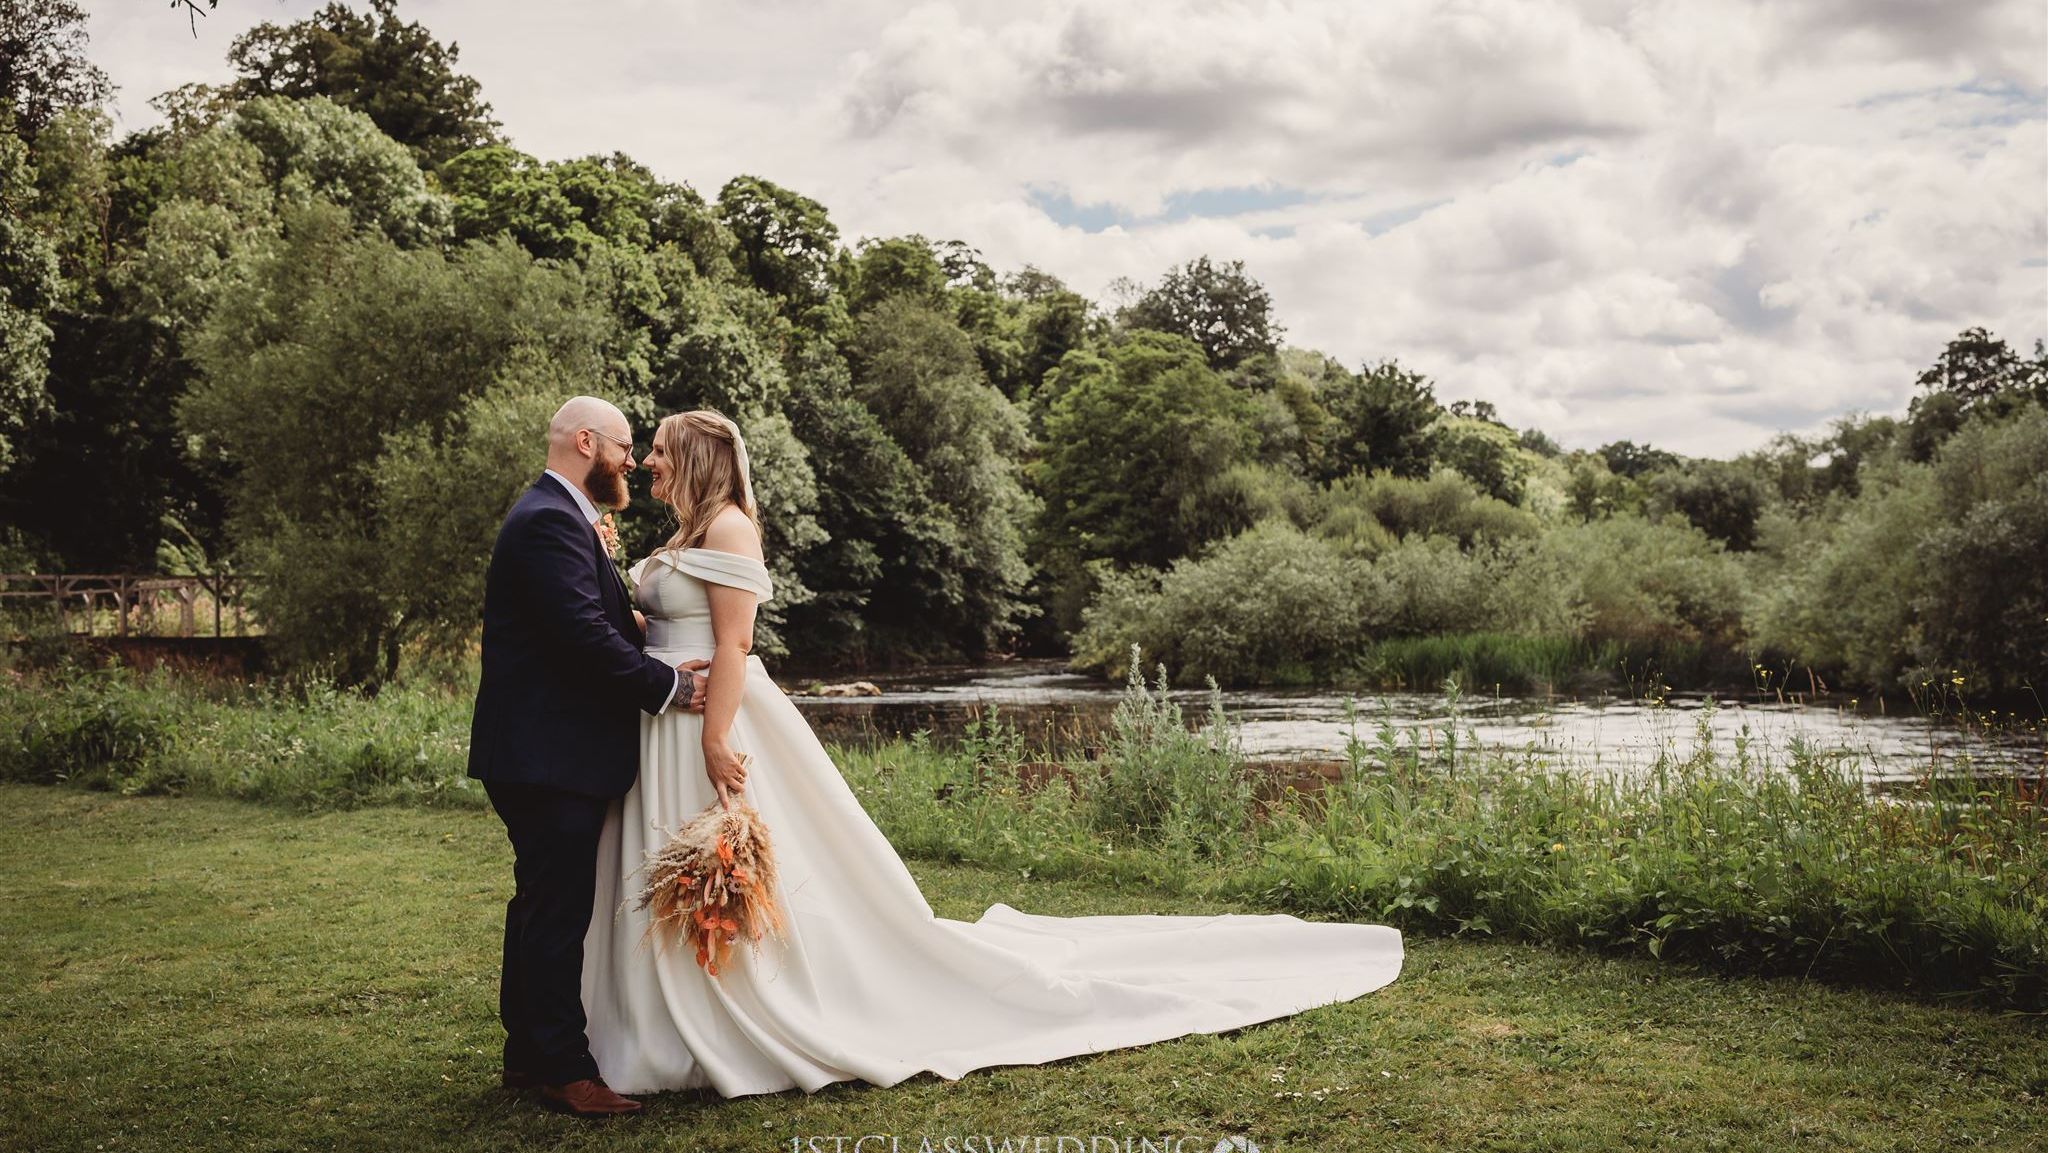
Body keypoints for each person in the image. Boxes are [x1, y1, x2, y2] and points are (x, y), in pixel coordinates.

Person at [581, 409, 1403, 1099]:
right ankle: (659, 1013)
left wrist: (720, 737)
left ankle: (732, 1012)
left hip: (713, 720)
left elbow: (736, 642)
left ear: (694, 456)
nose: (649, 459)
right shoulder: (685, 530)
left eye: (658, 448)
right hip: (669, 717)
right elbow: (674, 626)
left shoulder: (729, 526)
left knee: (746, 866)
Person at [466, 396, 714, 1118]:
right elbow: (580, 636)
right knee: (557, 908)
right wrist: (671, 685)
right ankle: (566, 1069)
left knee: (540, 901)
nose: (632, 459)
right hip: (548, 751)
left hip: (540, 749)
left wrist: (647, 626)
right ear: (586, 441)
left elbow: (593, 616)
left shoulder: (560, 515)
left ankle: (528, 1053)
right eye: (625, 445)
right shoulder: (548, 520)